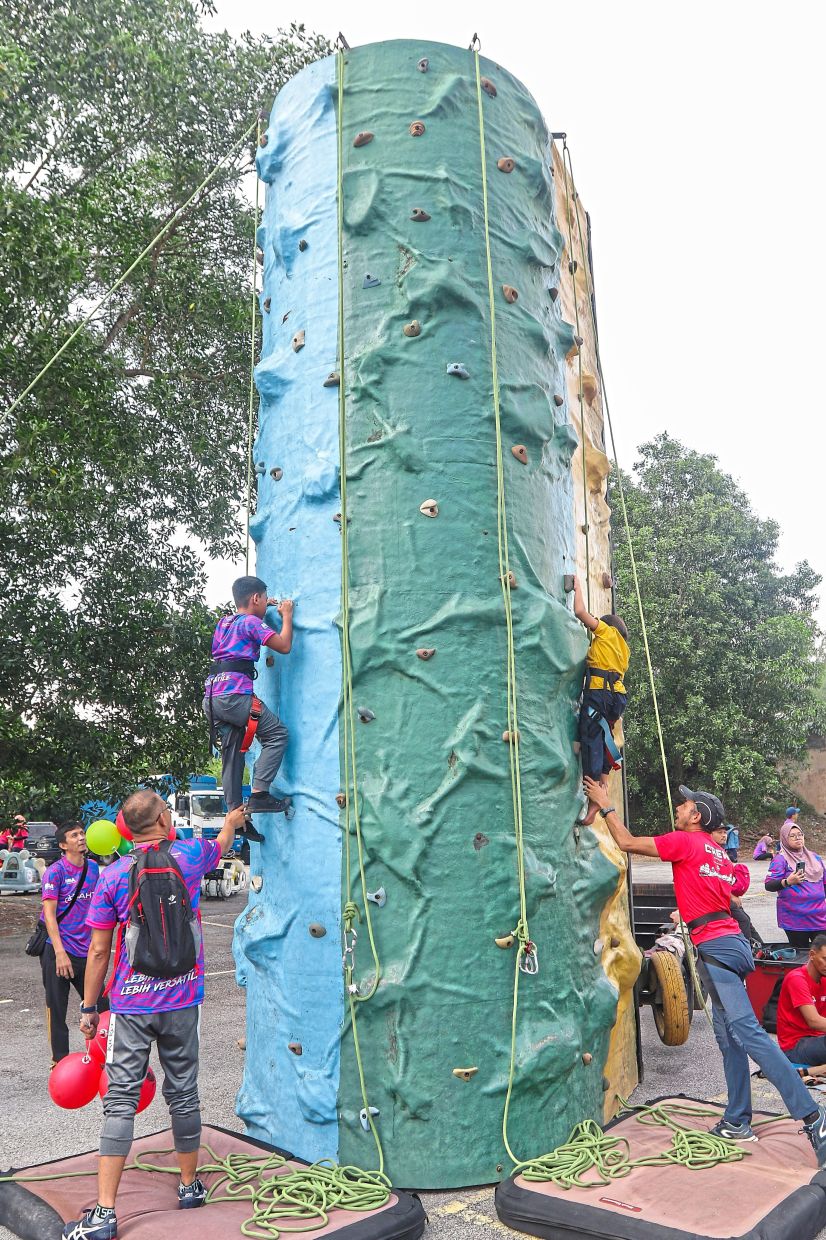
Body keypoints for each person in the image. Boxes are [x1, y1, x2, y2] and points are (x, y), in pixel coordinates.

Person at [583, 774, 826, 1157]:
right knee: (728, 1039)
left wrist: (605, 802)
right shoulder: (717, 853)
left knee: (749, 1034)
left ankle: (812, 1116)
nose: (677, 808)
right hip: (733, 945)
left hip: (715, 946)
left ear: (696, 815)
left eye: (683, 805)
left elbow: (627, 842)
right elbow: (738, 886)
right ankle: (737, 1120)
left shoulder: (685, 841)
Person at [62, 790, 246, 1240]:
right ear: (165, 819)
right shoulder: (189, 855)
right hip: (183, 999)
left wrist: (89, 1008)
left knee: (121, 1098)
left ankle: (104, 1214)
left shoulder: (112, 875)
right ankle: (189, 1187)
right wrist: (233, 821)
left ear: (125, 828)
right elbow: (222, 842)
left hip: (131, 1004)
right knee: (184, 1093)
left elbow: (100, 951)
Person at [203, 575, 293, 842]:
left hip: (212, 696)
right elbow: (284, 645)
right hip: (235, 695)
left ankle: (236, 818)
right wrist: (286, 615)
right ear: (255, 599)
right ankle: (260, 794)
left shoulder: (224, 622)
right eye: (264, 600)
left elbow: (243, 633)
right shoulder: (253, 622)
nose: (267, 604)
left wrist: (267, 606)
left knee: (233, 755)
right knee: (276, 735)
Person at [39, 821, 108, 1065]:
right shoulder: (55, 872)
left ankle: (102, 1055)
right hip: (57, 950)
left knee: (101, 1006)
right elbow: (49, 915)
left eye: (82, 833)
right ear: (62, 845)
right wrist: (59, 952)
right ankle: (59, 1061)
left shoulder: (92, 868)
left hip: (86, 951)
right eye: (74, 835)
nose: (81, 838)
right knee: (56, 1008)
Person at [572, 576, 630, 826]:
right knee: (606, 735)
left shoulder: (606, 631)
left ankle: (595, 795)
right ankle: (604, 778)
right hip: (616, 697)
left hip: (600, 693)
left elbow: (580, 612)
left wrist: (577, 587)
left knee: (591, 739)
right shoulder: (625, 649)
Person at [764, 819, 826, 947]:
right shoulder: (780, 859)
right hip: (796, 920)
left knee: (822, 956)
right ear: (785, 839)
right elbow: (769, 885)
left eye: (800, 834)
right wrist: (787, 882)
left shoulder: (815, 858)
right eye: (792, 836)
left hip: (820, 918)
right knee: (801, 956)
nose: (798, 838)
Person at [776, 935, 826, 1072]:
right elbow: (813, 1021)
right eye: (825, 959)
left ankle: (819, 1070)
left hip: (817, 1039)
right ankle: (816, 1070)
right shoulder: (797, 979)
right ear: (812, 955)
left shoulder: (824, 979)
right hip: (795, 1046)